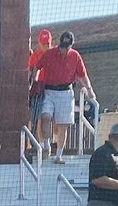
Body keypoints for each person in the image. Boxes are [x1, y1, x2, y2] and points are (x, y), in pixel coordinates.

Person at [33, 30, 96, 164]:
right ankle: (46, 147)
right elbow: (37, 67)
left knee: (63, 124)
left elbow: (83, 75)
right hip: (49, 90)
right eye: (62, 47)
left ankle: (59, 155)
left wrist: (90, 91)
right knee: (45, 117)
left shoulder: (75, 56)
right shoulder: (49, 54)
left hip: (66, 91)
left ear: (71, 46)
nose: (64, 50)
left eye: (66, 48)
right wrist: (34, 81)